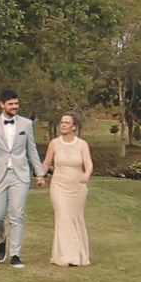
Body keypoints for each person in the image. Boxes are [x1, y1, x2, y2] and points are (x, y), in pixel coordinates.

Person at [0, 89, 46, 269]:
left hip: (20, 174)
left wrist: (39, 172)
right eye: (11, 104)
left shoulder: (27, 124)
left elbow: (32, 149)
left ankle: (15, 254)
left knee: (17, 215)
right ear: (2, 105)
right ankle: (1, 237)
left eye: (16, 104)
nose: (14, 107)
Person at [43, 112, 93, 267]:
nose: (63, 125)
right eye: (61, 122)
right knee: (63, 216)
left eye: (66, 123)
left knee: (75, 218)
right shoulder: (54, 143)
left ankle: (78, 254)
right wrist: (40, 175)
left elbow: (89, 164)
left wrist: (86, 175)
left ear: (74, 126)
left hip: (77, 186)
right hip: (59, 186)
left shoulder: (82, 144)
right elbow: (46, 163)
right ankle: (66, 255)